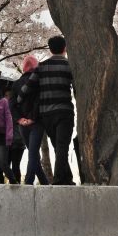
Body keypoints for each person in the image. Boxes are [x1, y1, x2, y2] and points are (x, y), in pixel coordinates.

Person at [18, 36, 75, 185]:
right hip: (64, 111)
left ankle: (67, 179)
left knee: (58, 146)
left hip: (46, 114)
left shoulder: (41, 67)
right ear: (65, 48)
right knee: (62, 146)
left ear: (50, 49)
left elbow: (25, 89)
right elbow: (77, 88)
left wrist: (19, 101)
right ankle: (58, 180)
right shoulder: (69, 66)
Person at [10, 56, 50, 186]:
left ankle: (44, 182)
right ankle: (29, 182)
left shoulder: (15, 84)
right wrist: (32, 118)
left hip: (22, 125)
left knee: (33, 154)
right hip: (37, 122)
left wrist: (20, 119)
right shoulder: (40, 81)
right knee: (33, 153)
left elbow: (12, 105)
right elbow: (40, 101)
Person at [3, 81, 26, 184]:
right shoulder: (2, 110)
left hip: (18, 141)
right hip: (7, 143)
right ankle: (13, 183)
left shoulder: (18, 108)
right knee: (5, 165)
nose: (8, 98)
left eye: (9, 95)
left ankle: (17, 185)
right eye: (6, 96)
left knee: (15, 166)